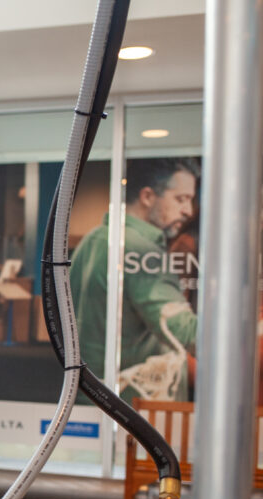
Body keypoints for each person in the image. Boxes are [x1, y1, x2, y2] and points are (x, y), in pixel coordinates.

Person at [70, 157, 199, 402]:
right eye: (180, 199)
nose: (188, 211)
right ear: (148, 196)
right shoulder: (140, 250)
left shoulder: (93, 240)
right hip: (134, 413)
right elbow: (184, 331)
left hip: (94, 403)